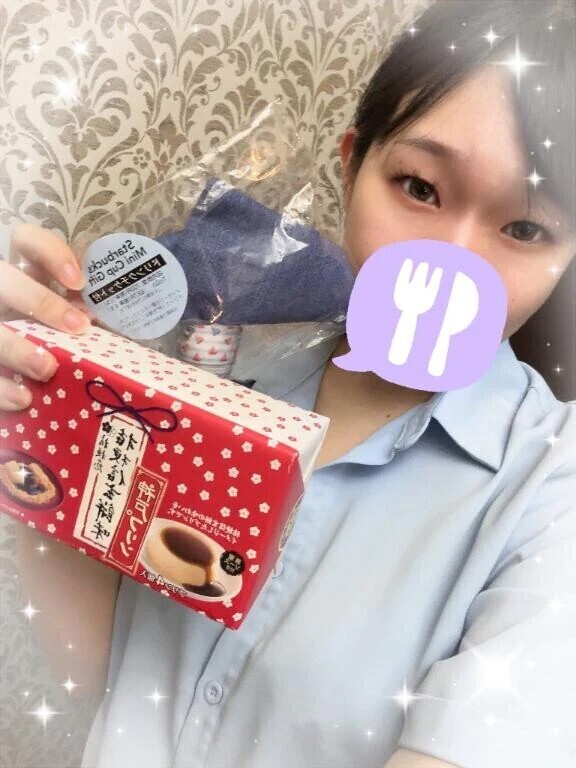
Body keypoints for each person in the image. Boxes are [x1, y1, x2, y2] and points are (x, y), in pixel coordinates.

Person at [1, 0, 575, 766]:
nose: (450, 268)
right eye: (419, 187)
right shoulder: (218, 359)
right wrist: (46, 404)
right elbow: (94, 678)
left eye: (526, 228)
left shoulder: (551, 493)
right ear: (352, 166)